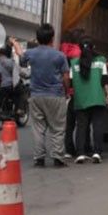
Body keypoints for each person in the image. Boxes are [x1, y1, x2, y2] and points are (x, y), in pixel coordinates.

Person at [11, 24, 70, 168]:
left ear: (37, 38)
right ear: (52, 38)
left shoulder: (31, 54)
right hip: (55, 95)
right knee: (57, 128)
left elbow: (21, 56)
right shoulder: (60, 55)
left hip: (36, 96)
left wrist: (15, 44)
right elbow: (66, 77)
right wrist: (67, 91)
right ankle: (58, 158)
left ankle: (39, 158)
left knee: (38, 129)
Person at [70, 37, 108, 164]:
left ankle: (80, 153)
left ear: (80, 48)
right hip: (98, 98)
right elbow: (104, 80)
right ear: (93, 48)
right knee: (98, 126)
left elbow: (71, 83)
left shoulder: (74, 63)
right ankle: (97, 153)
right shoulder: (101, 61)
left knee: (81, 127)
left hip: (80, 99)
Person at [60, 29, 82, 159]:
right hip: (75, 90)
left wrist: (65, 90)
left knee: (68, 123)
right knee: (81, 122)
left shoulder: (62, 49)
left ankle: (68, 148)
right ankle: (81, 149)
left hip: (62, 90)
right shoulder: (78, 52)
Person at [0, 45, 21, 114]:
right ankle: (17, 110)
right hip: (6, 86)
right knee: (18, 92)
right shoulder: (10, 62)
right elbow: (17, 73)